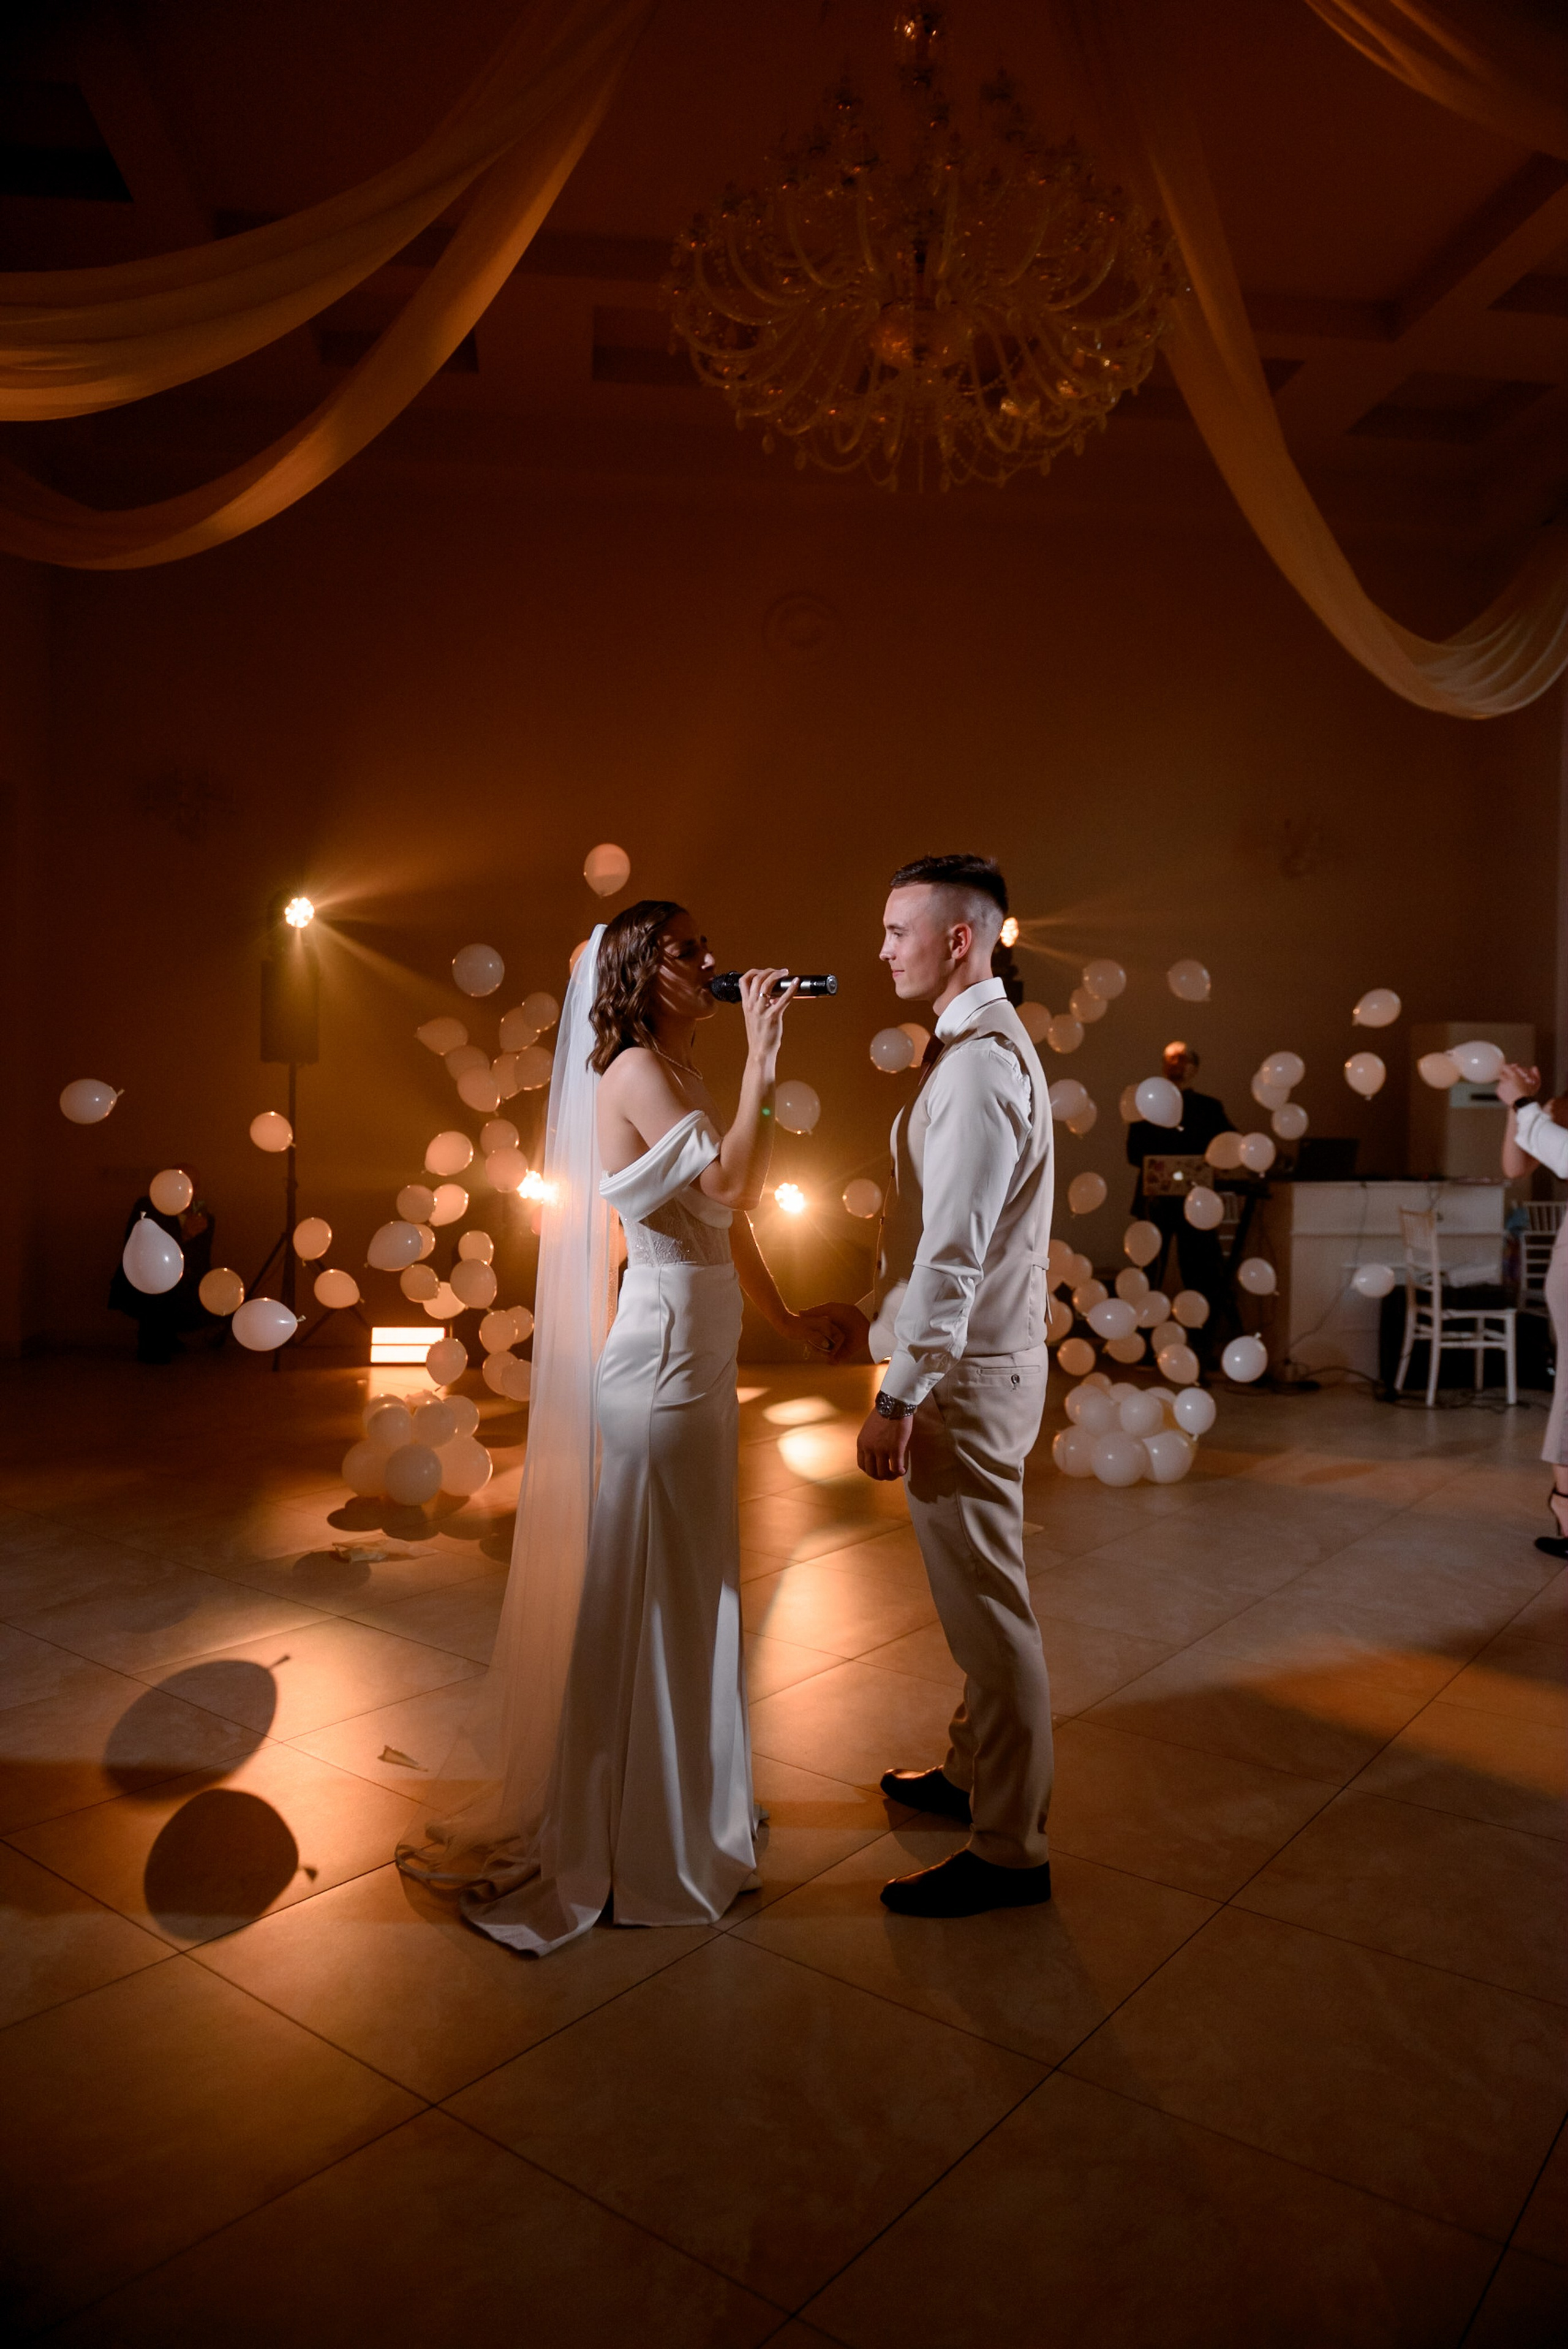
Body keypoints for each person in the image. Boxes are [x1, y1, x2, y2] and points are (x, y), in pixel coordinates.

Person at [400, 903, 847, 1954]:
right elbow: (733, 1179)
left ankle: (683, 1808)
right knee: (656, 1594)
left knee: (694, 1590)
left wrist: (785, 1314)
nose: (712, 957)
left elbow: (723, 1216)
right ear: (643, 977)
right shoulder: (638, 1073)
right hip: (656, 1369)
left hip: (698, 1357)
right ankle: (639, 1840)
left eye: (706, 943)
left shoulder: (681, 1073)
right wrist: (767, 1057)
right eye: (687, 949)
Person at [839, 853, 1057, 1920]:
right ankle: (972, 1771)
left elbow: (955, 1253)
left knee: (991, 1613)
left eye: (897, 929)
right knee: (976, 1595)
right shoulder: (978, 1048)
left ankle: (1013, 1848)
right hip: (981, 1362)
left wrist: (900, 1393)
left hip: (965, 1374)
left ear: (958, 939)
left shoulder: (976, 1066)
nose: (882, 948)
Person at [1498, 1062, 1568, 1557]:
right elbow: (1516, 1166)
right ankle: (1567, 1504)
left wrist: (1524, 1105)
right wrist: (1517, 1108)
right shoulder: (1560, 1108)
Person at [1125, 1041, 1235, 1345]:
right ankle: (1142, 1345)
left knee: (1200, 1272)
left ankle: (1202, 1344)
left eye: (1183, 1059)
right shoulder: (1144, 1107)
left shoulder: (1210, 1108)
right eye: (1170, 1059)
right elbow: (1134, 1154)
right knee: (1148, 1275)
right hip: (1155, 1202)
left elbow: (1229, 1145)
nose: (1175, 1065)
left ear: (1195, 1069)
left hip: (1196, 1205)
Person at [108, 1169, 218, 1364]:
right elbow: (144, 1248)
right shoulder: (147, 1207)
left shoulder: (199, 1213)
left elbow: (201, 1258)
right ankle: (152, 1343)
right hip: (146, 1275)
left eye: (193, 1184)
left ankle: (168, 1335)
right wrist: (184, 1236)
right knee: (158, 1287)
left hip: (183, 1276)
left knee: (185, 1289)